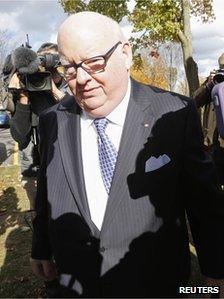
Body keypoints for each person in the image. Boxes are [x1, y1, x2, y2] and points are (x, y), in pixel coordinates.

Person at [30, 12, 224, 298]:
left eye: (95, 63)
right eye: (69, 69)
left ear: (125, 54)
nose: (82, 79)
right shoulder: (52, 121)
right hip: (76, 284)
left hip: (159, 284)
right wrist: (41, 247)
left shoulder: (174, 113)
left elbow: (203, 202)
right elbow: (49, 187)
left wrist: (216, 270)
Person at [9, 42, 68, 178]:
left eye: (54, 68)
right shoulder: (27, 89)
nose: (49, 72)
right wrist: (23, 96)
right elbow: (20, 138)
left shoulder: (71, 88)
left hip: (64, 165)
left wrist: (55, 92)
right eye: (43, 66)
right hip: (33, 168)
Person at [194, 53, 224, 187]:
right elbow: (194, 101)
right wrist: (209, 84)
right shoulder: (214, 82)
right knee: (214, 188)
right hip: (212, 145)